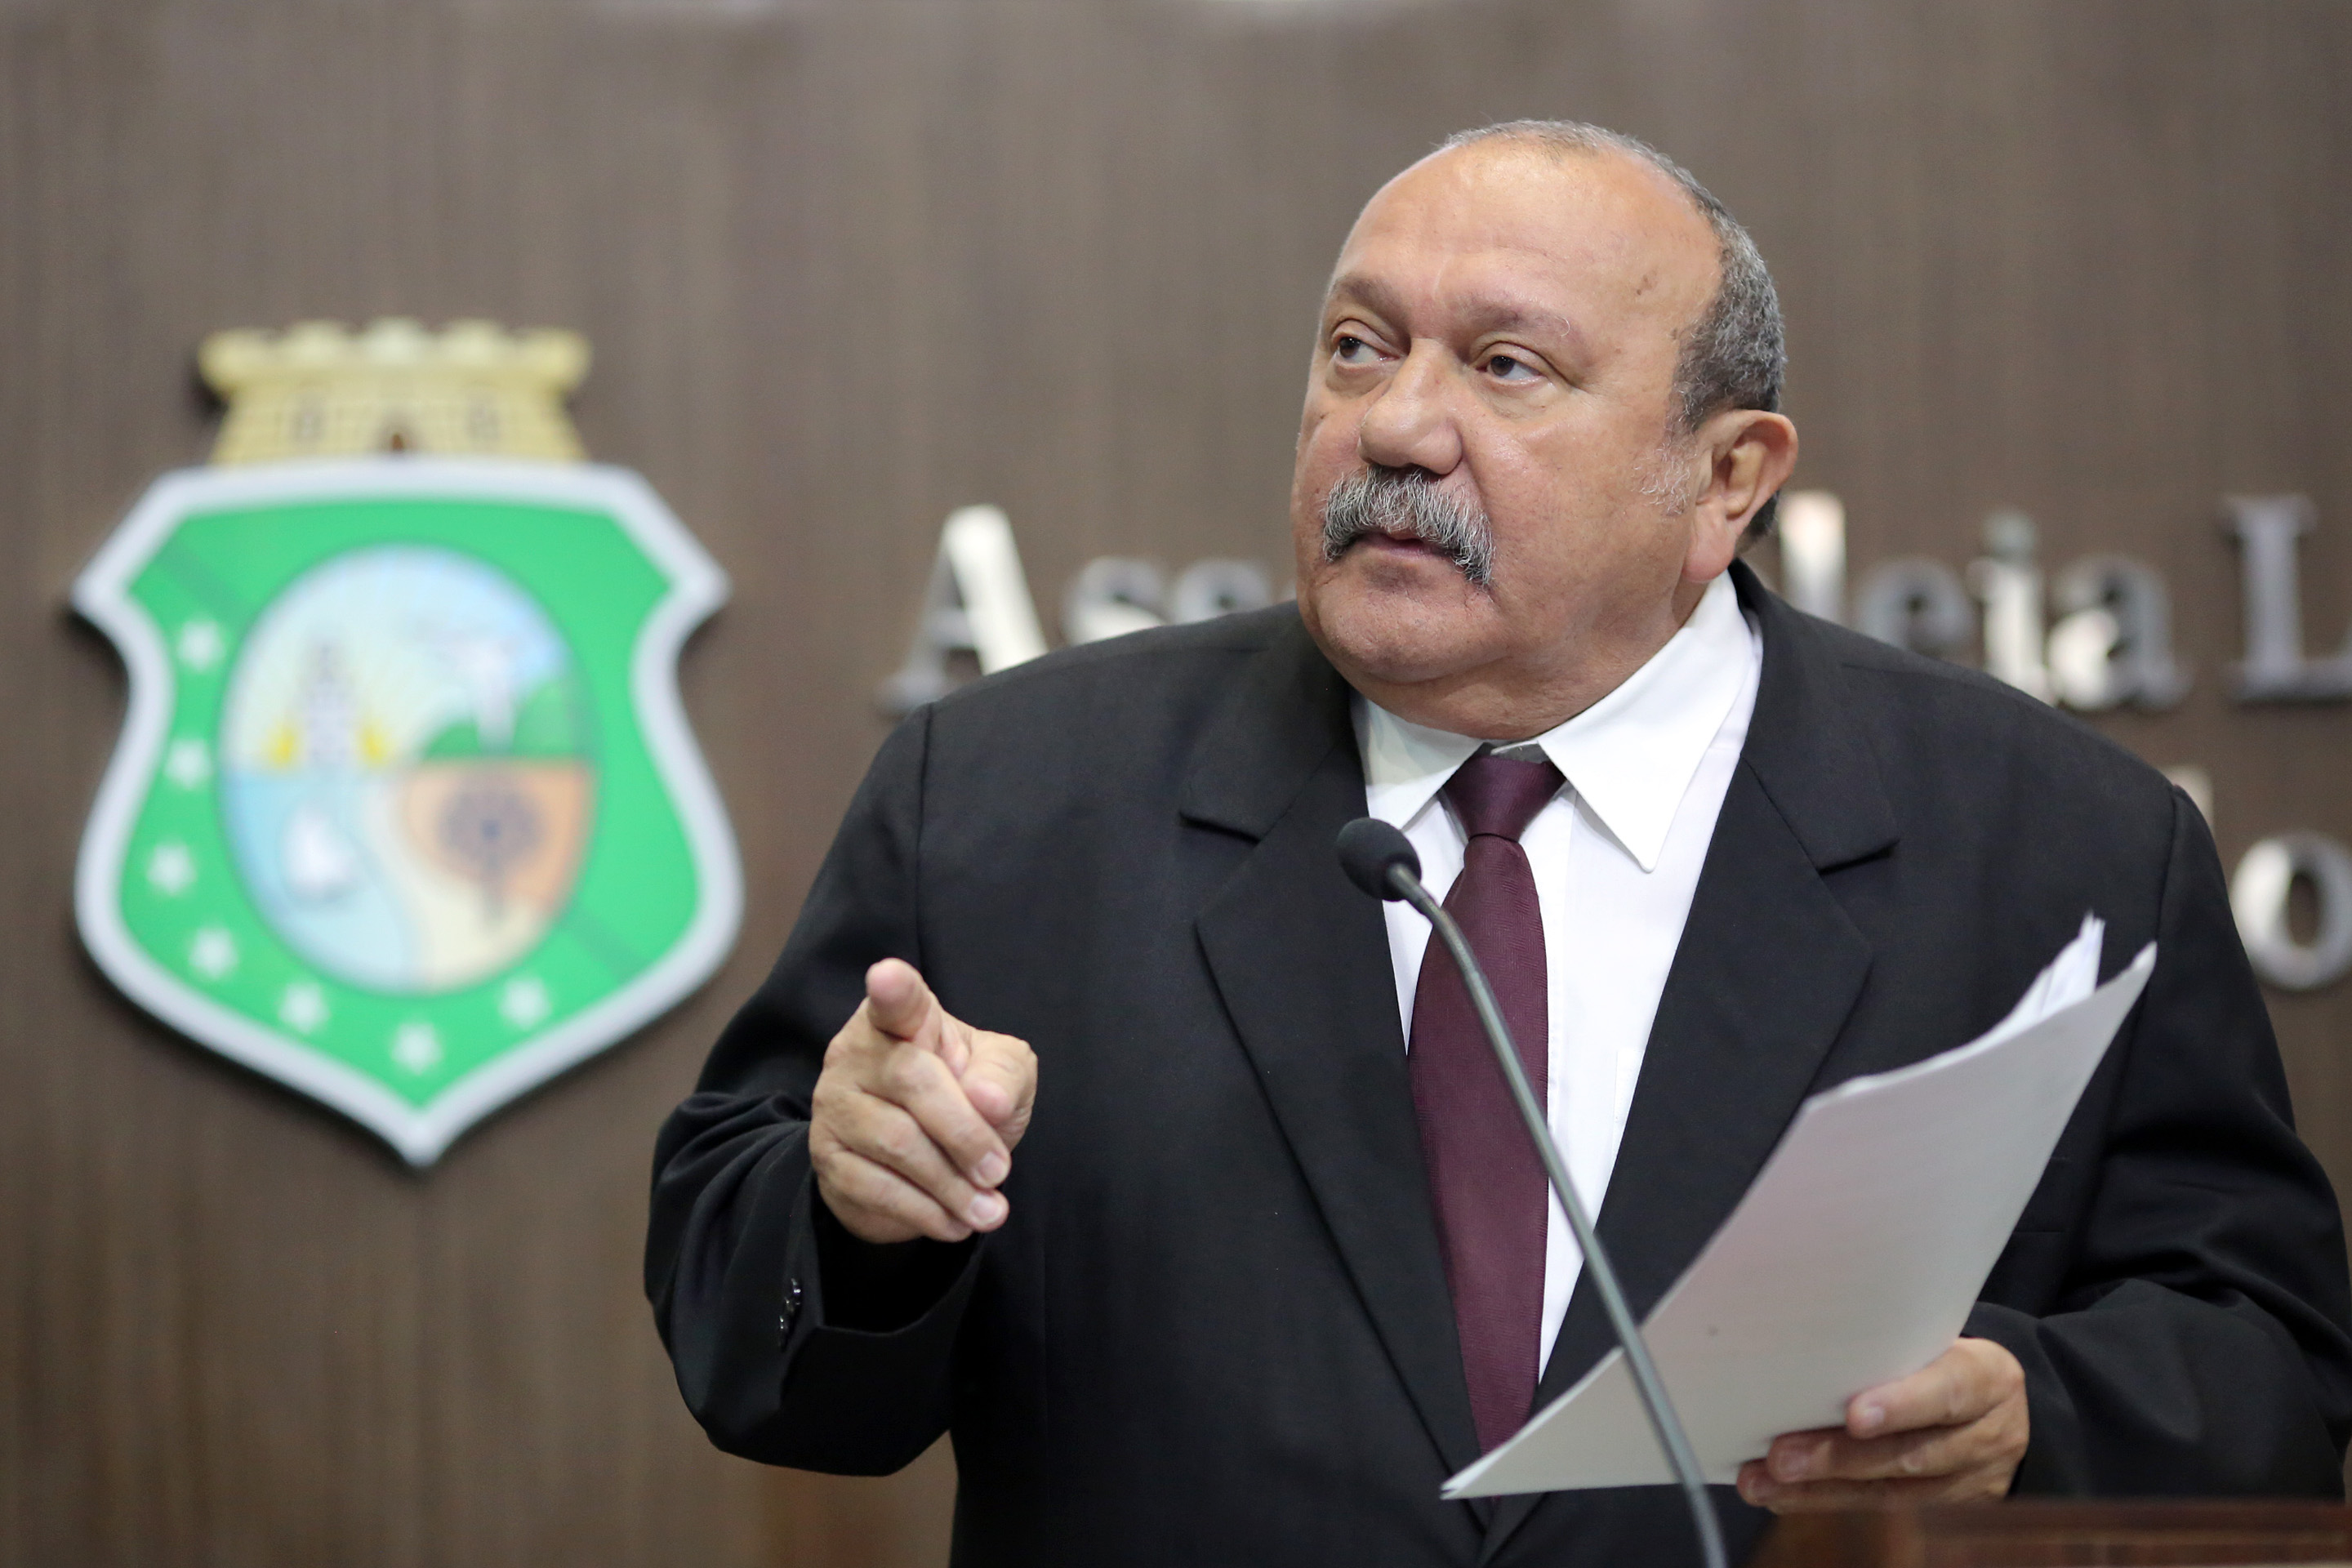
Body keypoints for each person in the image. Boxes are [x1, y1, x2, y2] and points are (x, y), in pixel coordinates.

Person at [645, 122, 2352, 1566]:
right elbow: (752, 1342)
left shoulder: (2054, 844)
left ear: (1728, 477)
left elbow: (2269, 1360)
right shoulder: (1010, 799)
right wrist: (858, 1211)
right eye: (1358, 347)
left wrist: (2033, 1416)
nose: (1395, 425)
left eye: (1507, 366)